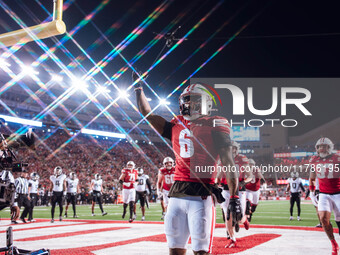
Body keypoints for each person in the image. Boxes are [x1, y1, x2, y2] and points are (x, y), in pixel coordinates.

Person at [133, 75, 241, 255]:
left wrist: (235, 197)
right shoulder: (175, 124)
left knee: (201, 251)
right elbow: (147, 114)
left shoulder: (216, 123)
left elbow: (228, 162)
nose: (189, 105)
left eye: (194, 101)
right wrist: (138, 89)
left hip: (202, 196)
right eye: (186, 101)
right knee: (175, 250)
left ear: (206, 103)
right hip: (176, 196)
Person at [309, 137, 340, 255]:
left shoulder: (337, 158)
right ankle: (334, 244)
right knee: (323, 220)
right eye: (319, 146)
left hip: (338, 192)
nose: (321, 148)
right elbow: (312, 177)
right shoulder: (314, 160)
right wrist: (312, 191)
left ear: (329, 147)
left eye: (324, 146)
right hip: (324, 194)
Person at [220, 141, 252, 248]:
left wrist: (243, 182)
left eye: (233, 148)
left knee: (239, 216)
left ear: (236, 149)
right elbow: (219, 174)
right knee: (227, 214)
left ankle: (244, 219)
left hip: (240, 190)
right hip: (226, 190)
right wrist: (216, 183)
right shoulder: (223, 158)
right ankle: (232, 238)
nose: (231, 150)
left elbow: (250, 176)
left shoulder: (242, 159)